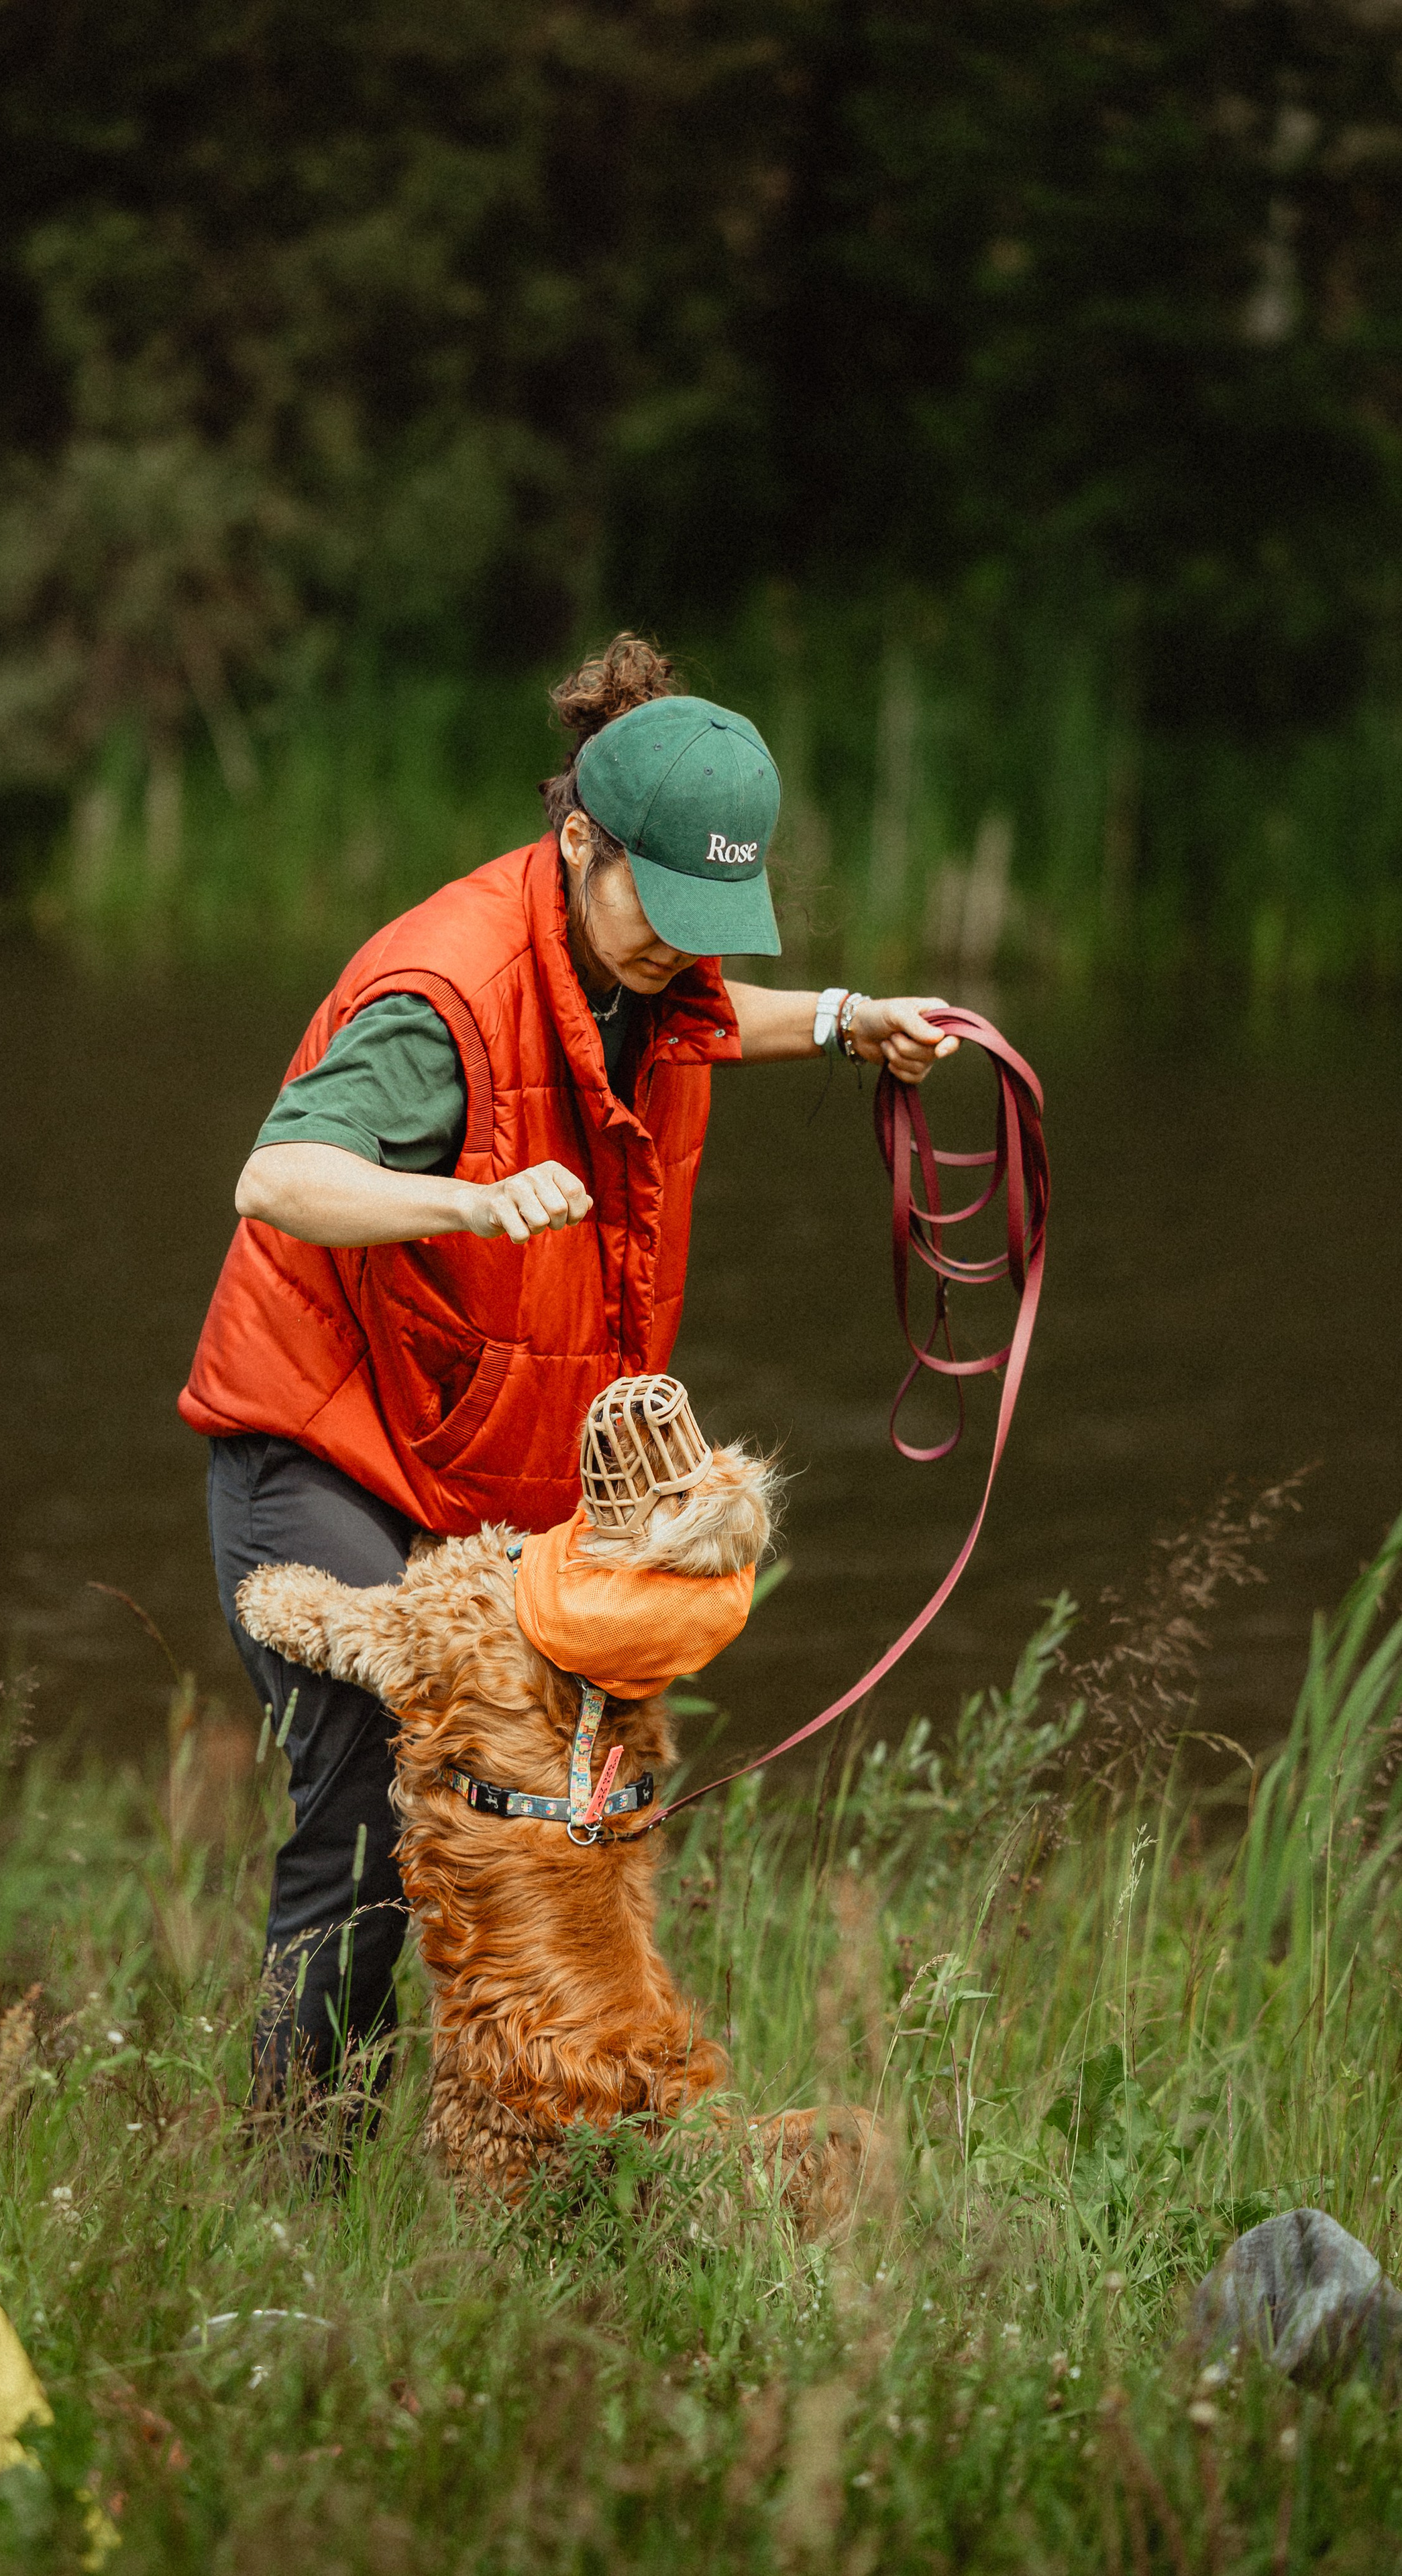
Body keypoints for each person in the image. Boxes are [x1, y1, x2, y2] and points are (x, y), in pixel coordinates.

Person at [179, 633, 961, 2094]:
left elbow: (710, 1027)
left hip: (483, 1447)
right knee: (361, 1793)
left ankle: (533, 2153)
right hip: (323, 1435)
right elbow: (276, 1176)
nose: (679, 939)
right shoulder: (442, 990)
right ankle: (299, 2181)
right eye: (656, 904)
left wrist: (856, 1022)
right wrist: (465, 1199)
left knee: (548, 1809)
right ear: (575, 840)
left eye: (706, 911)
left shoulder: (654, 964)